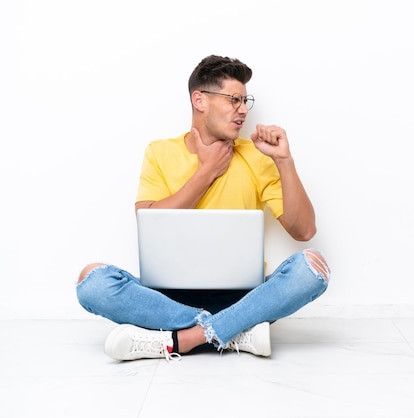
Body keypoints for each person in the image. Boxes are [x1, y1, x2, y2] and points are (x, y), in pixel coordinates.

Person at [75, 55, 330, 361]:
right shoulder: (160, 152)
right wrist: (206, 172)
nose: (243, 109)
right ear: (200, 100)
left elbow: (304, 231)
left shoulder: (257, 156)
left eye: (245, 100)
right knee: (92, 282)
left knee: (312, 268)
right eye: (234, 99)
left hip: (244, 297)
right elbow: (148, 219)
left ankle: (183, 339)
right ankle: (235, 332)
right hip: (166, 300)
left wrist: (284, 161)